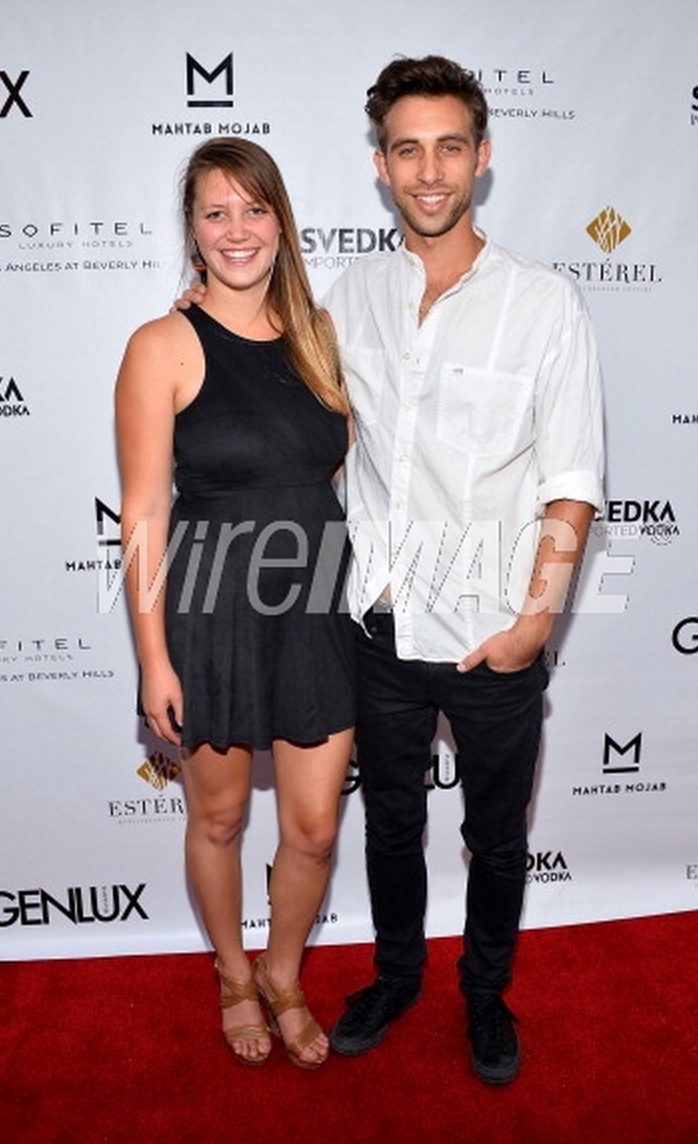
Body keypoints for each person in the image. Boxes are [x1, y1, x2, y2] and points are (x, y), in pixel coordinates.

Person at [323, 56, 605, 1084]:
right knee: (391, 821)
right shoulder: (349, 294)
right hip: (380, 627)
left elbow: (572, 482)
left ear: (482, 159)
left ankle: (485, 996)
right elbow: (280, 378)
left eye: (450, 146)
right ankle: (397, 976)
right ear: (381, 165)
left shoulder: (544, 304)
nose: (429, 169)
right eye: (408, 148)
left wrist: (536, 624)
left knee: (496, 836)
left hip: (495, 634)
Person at [115, 137, 355, 1069]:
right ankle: (231, 972)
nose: (236, 229)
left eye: (253, 209)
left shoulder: (321, 339)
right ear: (191, 231)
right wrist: (153, 657)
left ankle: (285, 973)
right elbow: (142, 512)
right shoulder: (160, 345)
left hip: (317, 607)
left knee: (314, 826)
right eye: (215, 212)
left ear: (280, 221)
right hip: (210, 611)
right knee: (216, 818)